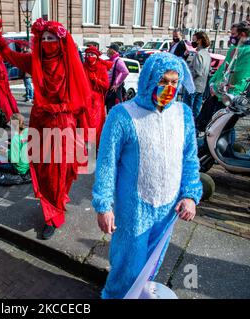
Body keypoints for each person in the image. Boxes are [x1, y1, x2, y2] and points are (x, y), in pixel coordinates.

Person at [92, 52, 202, 299]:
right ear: (150, 79)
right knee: (126, 267)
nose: (169, 87)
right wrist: (103, 206)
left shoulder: (183, 114)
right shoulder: (122, 115)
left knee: (151, 264)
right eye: (163, 80)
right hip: (134, 211)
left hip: (168, 209)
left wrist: (191, 195)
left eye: (175, 82)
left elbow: (189, 158)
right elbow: (107, 164)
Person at [0, 17, 91, 239]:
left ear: (60, 40)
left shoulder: (70, 64)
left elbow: (82, 100)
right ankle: (51, 209)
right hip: (40, 122)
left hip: (64, 124)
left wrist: (82, 130)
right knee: (44, 170)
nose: (47, 42)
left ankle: (54, 212)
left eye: (51, 38)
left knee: (60, 171)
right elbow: (10, 56)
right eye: (43, 38)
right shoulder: (34, 61)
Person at [196, 21, 250, 132]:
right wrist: (212, 82)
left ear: (243, 34)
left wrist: (229, 91)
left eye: (234, 34)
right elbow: (222, 69)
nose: (231, 36)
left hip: (229, 96)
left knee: (223, 127)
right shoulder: (233, 48)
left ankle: (223, 148)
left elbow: (241, 74)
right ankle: (206, 146)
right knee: (210, 123)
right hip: (218, 93)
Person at [83, 46, 109, 148]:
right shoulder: (83, 67)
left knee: (96, 124)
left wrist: (96, 79)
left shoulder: (102, 68)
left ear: (97, 56)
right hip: (84, 100)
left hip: (97, 101)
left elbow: (106, 85)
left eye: (92, 55)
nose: (90, 57)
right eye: (88, 55)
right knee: (84, 124)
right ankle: (84, 149)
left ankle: (95, 147)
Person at [183, 31, 211, 119]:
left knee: (188, 110)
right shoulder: (207, 54)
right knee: (196, 110)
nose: (192, 42)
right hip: (201, 86)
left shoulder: (199, 54)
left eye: (194, 40)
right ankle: (196, 129)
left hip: (193, 86)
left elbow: (197, 71)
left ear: (199, 41)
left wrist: (187, 75)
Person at [0, 50, 20, 121]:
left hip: (4, 87)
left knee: (9, 103)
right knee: (4, 105)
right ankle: (6, 119)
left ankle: (11, 119)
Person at [105, 43, 129, 112]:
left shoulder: (118, 61)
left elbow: (125, 72)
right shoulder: (111, 60)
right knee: (109, 109)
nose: (108, 50)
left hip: (115, 90)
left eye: (109, 49)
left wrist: (116, 84)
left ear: (113, 50)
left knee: (114, 109)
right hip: (110, 89)